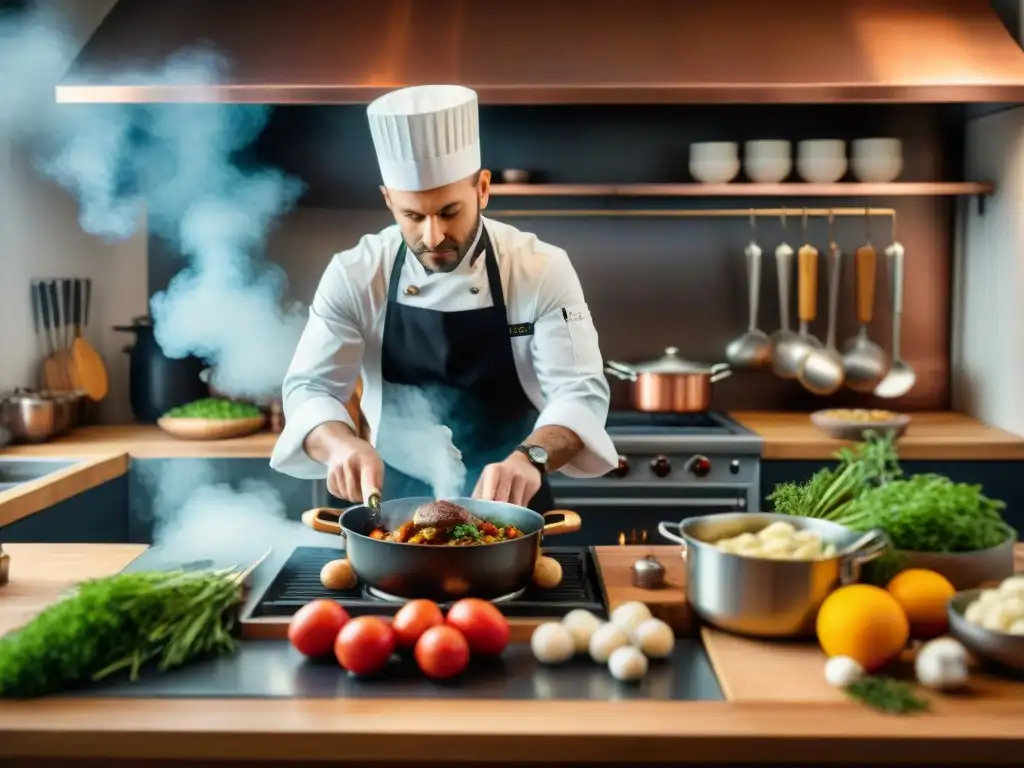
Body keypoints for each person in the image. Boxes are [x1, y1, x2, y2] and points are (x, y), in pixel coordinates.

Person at [270, 84, 616, 513]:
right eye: (412, 216)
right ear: (388, 200)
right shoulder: (357, 272)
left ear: (483, 189)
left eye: (449, 212)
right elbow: (311, 387)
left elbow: (578, 392)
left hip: (516, 500)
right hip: (392, 504)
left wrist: (533, 458)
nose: (432, 236)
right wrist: (339, 444)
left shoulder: (539, 268)